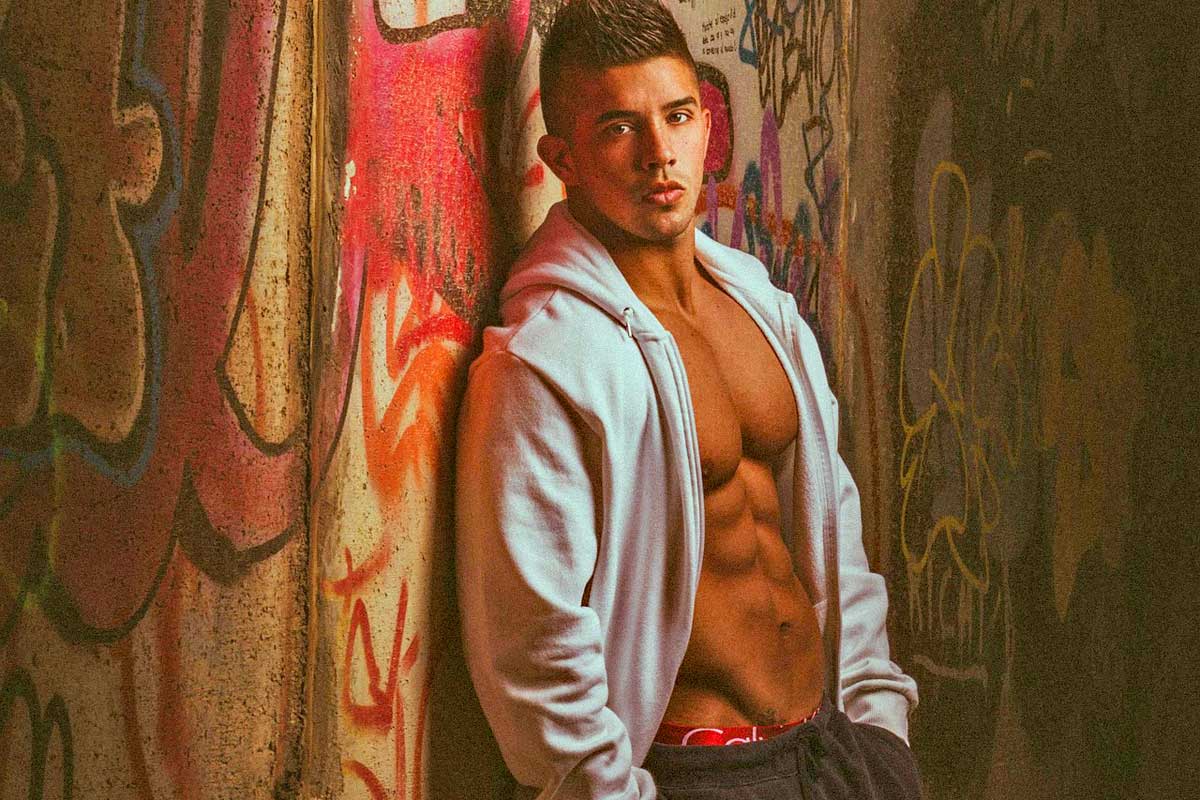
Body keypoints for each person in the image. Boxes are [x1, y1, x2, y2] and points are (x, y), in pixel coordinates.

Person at [455, 1, 920, 797]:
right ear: (563, 158)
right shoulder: (545, 360)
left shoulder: (759, 305)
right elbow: (533, 649)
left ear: (707, 125)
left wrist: (881, 732)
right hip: (702, 771)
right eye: (618, 128)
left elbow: (833, 528)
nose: (659, 154)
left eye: (676, 116)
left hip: (836, 755)